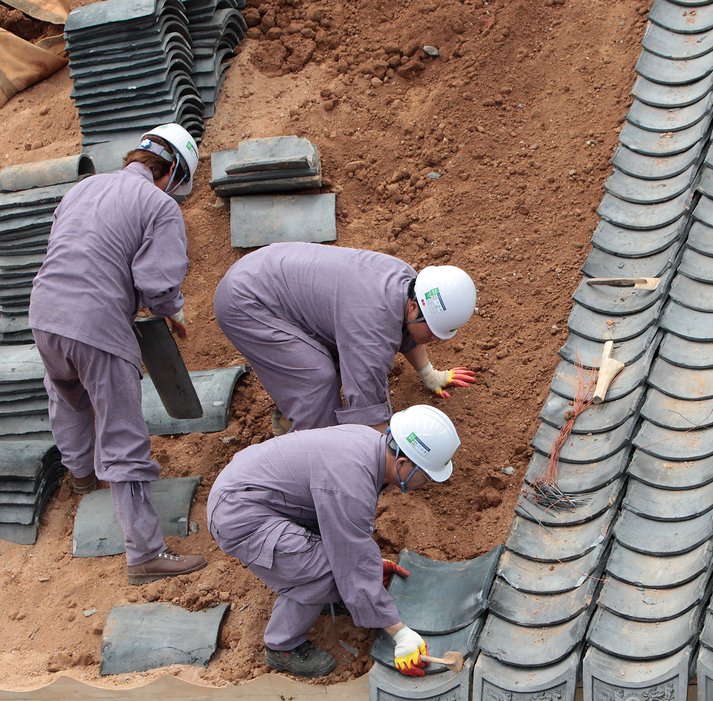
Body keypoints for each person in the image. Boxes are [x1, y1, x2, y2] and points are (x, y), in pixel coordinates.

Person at [28, 122, 206, 584]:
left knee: (66, 391)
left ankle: (82, 475)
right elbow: (158, 285)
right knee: (123, 430)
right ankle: (145, 553)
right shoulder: (159, 206)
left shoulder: (81, 189)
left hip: (45, 312)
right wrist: (174, 312)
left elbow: (72, 250)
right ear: (172, 174)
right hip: (97, 323)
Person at [207, 404, 460, 677]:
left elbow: (348, 535)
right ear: (402, 464)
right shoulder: (349, 480)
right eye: (426, 476)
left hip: (262, 496)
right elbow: (349, 558)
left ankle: (341, 597)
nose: (427, 484)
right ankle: (282, 646)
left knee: (346, 570)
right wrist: (399, 633)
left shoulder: (370, 445)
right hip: (240, 514)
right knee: (327, 572)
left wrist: (371, 566)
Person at [213, 242, 477, 434]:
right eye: (432, 331)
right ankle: (308, 455)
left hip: (268, 274)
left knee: (334, 354)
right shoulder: (371, 327)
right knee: (317, 378)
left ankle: (288, 411)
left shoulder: (407, 281)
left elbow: (409, 331)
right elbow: (367, 408)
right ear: (414, 307)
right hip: (246, 301)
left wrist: (430, 374)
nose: (433, 339)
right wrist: (386, 457)